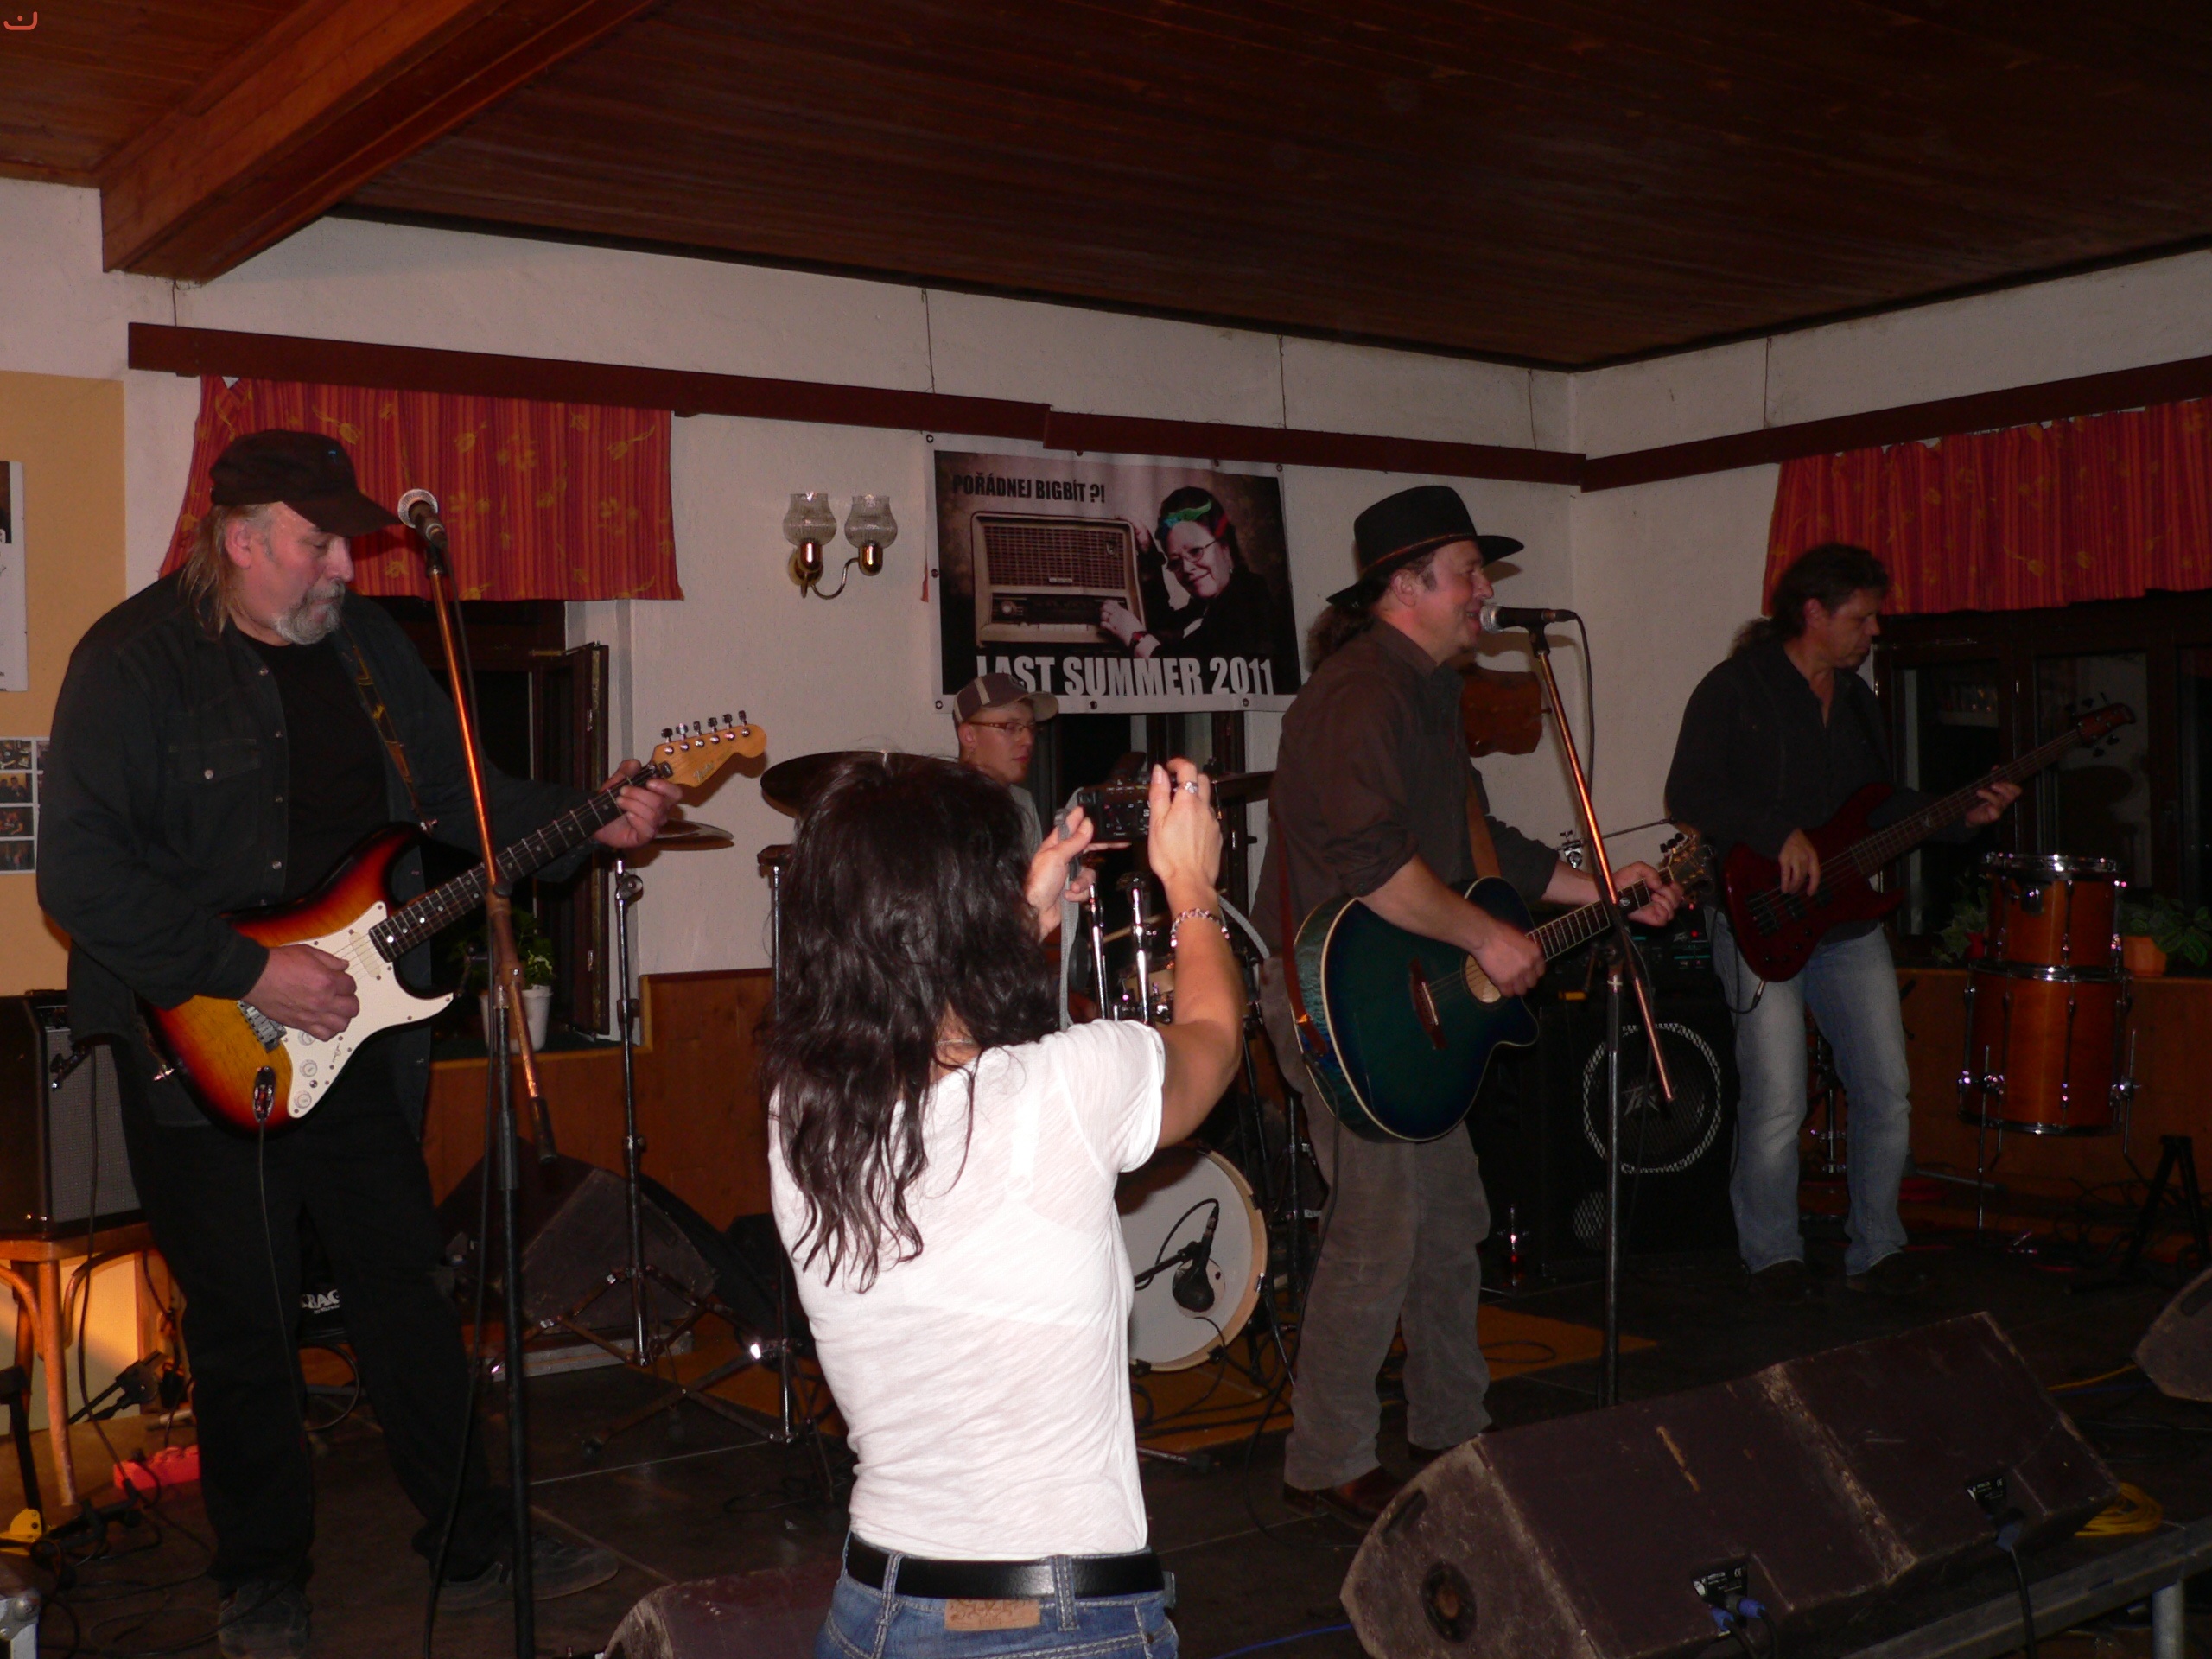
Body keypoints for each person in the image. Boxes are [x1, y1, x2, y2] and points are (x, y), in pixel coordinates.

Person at [37, 429, 679, 1659]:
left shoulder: (371, 648)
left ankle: (475, 1541)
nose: (343, 565)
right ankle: (261, 1578)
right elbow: (77, 875)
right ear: (240, 540)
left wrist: (590, 819)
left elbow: (462, 801)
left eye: (347, 541)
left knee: (406, 1291)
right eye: (318, 542)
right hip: (197, 1043)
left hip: (358, 1036)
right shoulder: (132, 660)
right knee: (245, 1320)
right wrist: (250, 971)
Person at [1254, 484, 1681, 1526]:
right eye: (1469, 572)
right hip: (1341, 999)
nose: (1486, 590)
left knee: (1449, 1219)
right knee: (1377, 1226)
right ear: (1407, 587)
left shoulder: (1430, 695)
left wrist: (1604, 885)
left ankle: (1449, 1426)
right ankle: (1327, 1458)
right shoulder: (1360, 696)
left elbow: (1485, 853)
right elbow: (1372, 866)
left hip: (1412, 991)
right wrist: (1485, 937)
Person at [766, 754, 1242, 1659]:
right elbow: (1213, 1041)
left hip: (873, 1609)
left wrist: (1019, 915)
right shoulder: (1068, 1087)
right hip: (1055, 1625)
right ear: (968, 920)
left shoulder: (803, 1113)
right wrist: (1190, 886)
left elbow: (919, 1012)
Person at [1665, 543, 2018, 1303]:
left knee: (1885, 1089)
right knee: (1778, 1099)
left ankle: (1878, 1246)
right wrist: (1775, 833)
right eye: (1861, 618)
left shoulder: (1857, 699)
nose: (1874, 631)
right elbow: (1689, 792)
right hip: (1758, 920)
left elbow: (1877, 806)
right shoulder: (1735, 688)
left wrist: (1960, 814)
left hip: (1847, 925)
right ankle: (1771, 1256)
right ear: (1813, 614)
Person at [1097, 486, 1287, 671]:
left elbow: (1185, 669)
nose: (1187, 569)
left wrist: (1136, 637)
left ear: (1226, 548)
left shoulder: (1250, 598)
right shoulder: (1203, 606)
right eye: (1175, 562)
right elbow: (1164, 627)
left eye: (1196, 551)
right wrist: (1149, 556)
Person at [951, 670, 1058, 855]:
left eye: (1031, 728)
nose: (1028, 740)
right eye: (1011, 727)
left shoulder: (1022, 802)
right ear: (969, 736)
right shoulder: (940, 805)